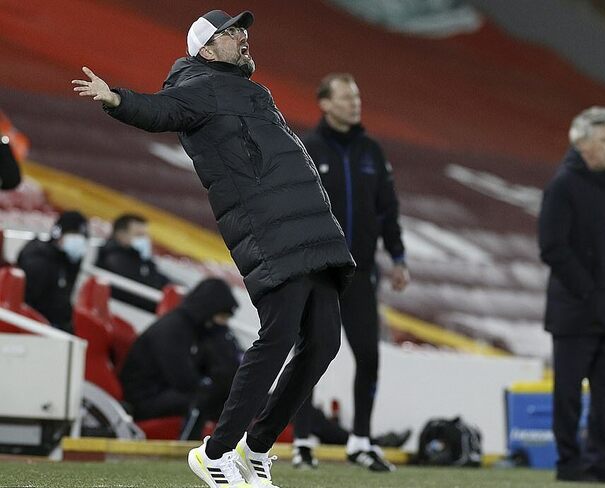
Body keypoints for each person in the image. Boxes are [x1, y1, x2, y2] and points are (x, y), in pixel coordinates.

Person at [73, 9, 354, 488]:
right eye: (230, 32)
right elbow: (159, 111)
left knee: (324, 342)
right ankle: (215, 452)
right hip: (271, 231)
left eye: (242, 30)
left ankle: (255, 448)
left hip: (311, 228)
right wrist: (116, 98)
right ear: (205, 49)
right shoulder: (199, 86)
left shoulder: (251, 90)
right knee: (278, 337)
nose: (242, 37)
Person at [291, 73, 409, 472]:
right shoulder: (308, 148)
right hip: (320, 271)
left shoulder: (371, 151)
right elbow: (295, 209)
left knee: (369, 356)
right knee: (311, 353)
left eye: (356, 97)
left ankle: (360, 440)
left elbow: (387, 209)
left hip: (360, 272)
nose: (354, 104)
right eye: (345, 97)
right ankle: (302, 441)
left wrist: (398, 257)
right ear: (324, 103)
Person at [538, 107, 605, 485]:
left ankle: (599, 461)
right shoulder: (563, 186)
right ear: (582, 144)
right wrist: (587, 289)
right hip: (575, 309)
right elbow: (552, 246)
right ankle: (569, 462)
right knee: (568, 392)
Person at [119, 278, 242, 440]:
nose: (223, 324)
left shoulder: (192, 326)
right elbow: (182, 379)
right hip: (144, 398)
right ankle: (190, 447)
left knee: (218, 397)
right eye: (221, 317)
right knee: (202, 399)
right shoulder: (173, 328)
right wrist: (210, 386)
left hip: (162, 390)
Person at [17, 211, 88, 333]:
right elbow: (31, 301)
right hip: (36, 326)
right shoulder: (38, 258)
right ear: (58, 233)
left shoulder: (68, 262)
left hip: (56, 325)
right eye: (73, 234)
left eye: (82, 236)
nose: (79, 240)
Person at [96, 213, 171, 312]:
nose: (145, 240)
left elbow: (157, 277)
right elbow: (137, 290)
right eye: (139, 235)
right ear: (121, 235)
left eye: (146, 235)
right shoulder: (114, 259)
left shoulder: (138, 258)